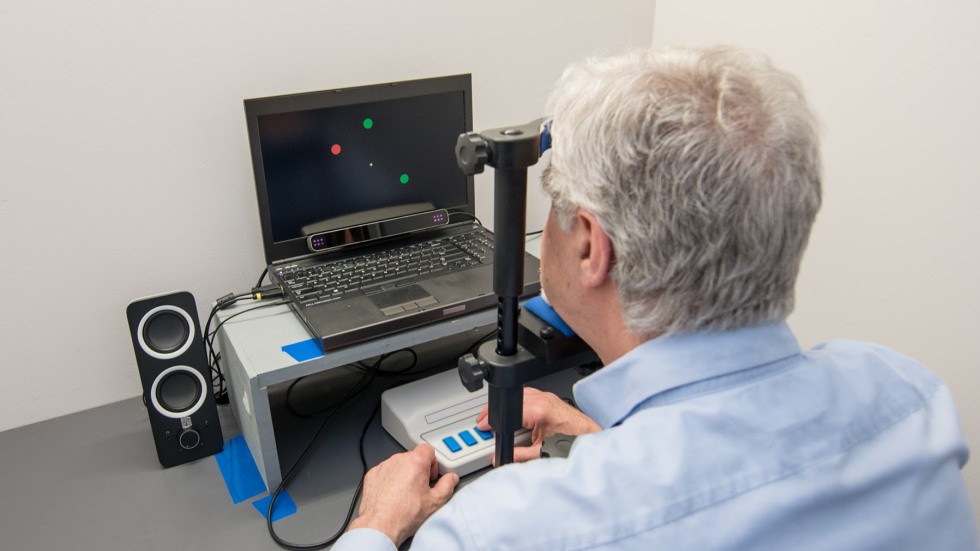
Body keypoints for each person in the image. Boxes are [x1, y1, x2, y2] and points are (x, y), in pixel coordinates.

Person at [333, 45, 978, 550]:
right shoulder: (906, 394)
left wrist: (375, 527)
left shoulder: (499, 529)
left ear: (590, 245)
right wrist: (604, 445)